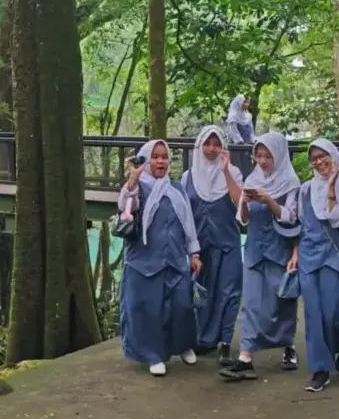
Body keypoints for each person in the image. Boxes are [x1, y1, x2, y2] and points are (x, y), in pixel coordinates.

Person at [219, 132, 302, 381]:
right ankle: (246, 358)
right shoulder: (253, 178)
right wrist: (245, 201)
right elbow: (243, 219)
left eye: (268, 156)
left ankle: (288, 345)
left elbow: (293, 217)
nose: (263, 161)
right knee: (252, 302)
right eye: (259, 155)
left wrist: (269, 201)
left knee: (282, 301)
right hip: (255, 248)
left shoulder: (291, 182)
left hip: (279, 248)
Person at [118, 139, 203, 376]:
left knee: (182, 306)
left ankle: (183, 345)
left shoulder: (176, 189)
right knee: (149, 310)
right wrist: (132, 181)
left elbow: (188, 223)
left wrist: (193, 253)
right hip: (144, 260)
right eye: (155, 156)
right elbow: (127, 208)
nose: (160, 161)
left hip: (175, 259)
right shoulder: (137, 188)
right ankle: (153, 355)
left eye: (164, 157)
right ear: (146, 159)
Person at [286, 138, 339, 391]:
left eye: (323, 156)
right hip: (308, 256)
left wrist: (330, 189)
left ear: (334, 156)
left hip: (335, 256)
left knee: (333, 314)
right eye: (314, 158)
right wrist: (295, 251)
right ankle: (320, 369)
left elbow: (338, 219)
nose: (319, 162)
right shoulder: (305, 189)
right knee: (313, 314)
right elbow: (296, 221)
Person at [181, 126, 244, 364]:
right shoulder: (188, 177)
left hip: (227, 243)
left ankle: (225, 342)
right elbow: (183, 214)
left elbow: (241, 203)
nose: (211, 149)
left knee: (228, 293)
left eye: (217, 144)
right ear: (199, 145)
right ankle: (200, 339)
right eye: (207, 143)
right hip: (199, 249)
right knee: (200, 294)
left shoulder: (234, 173)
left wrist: (226, 171)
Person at [226, 95, 256, 178]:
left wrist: (253, 140)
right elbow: (233, 132)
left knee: (247, 166)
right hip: (236, 147)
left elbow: (251, 131)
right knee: (237, 166)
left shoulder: (248, 116)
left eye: (247, 102)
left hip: (247, 147)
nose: (246, 104)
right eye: (244, 102)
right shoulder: (233, 116)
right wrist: (240, 142)